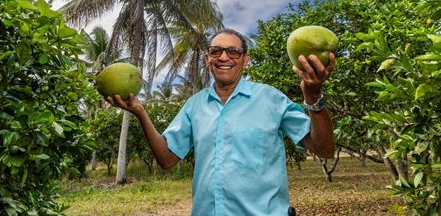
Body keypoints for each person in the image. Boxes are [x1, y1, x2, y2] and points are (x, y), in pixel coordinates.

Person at [106, 28, 336, 216]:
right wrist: (140, 112)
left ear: (246, 59)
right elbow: (167, 159)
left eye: (233, 51)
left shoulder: (270, 98)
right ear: (208, 59)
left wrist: (313, 96)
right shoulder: (195, 105)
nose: (223, 57)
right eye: (216, 51)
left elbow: (323, 148)